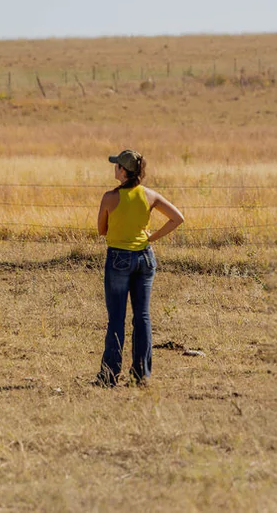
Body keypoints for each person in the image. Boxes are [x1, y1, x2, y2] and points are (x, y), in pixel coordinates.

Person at [94, 148, 184, 386]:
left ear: (123, 171)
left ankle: (109, 376)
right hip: (145, 258)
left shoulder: (109, 197)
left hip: (118, 259)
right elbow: (177, 218)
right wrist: (151, 238)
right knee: (142, 317)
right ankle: (141, 375)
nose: (115, 168)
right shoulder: (150, 195)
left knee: (116, 318)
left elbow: (101, 230)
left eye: (117, 166)